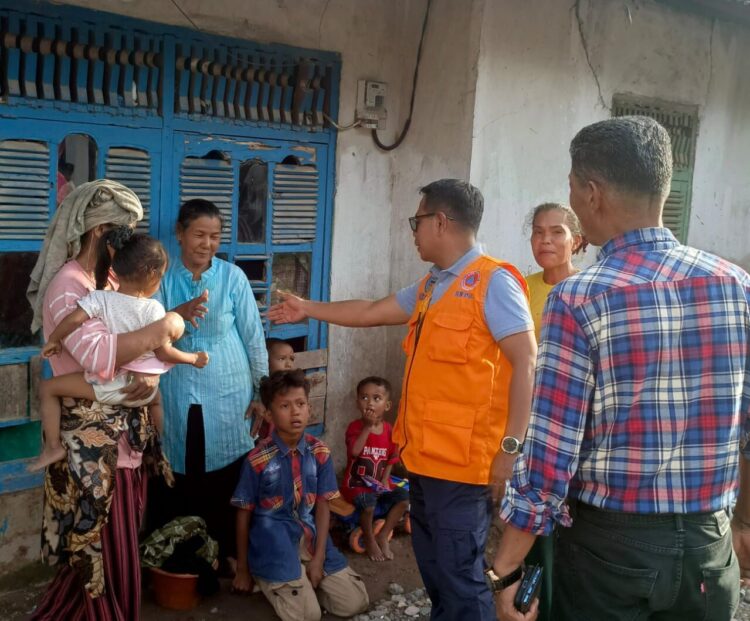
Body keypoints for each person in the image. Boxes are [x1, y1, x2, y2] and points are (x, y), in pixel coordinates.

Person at [491, 116, 749, 621]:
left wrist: (506, 568)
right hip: (709, 548)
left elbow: (549, 458)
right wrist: (741, 524)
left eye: (572, 188)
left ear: (591, 193)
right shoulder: (735, 285)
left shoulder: (579, 298)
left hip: (610, 555)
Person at [269, 178, 537, 620]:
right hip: (424, 462)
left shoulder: (494, 282)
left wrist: (511, 447)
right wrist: (308, 308)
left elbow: (526, 361)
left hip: (463, 468)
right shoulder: (434, 285)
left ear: (441, 222)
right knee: (437, 576)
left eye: (417, 221)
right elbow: (371, 311)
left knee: (461, 580)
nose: (413, 232)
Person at [25, 179, 193, 620]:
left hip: (123, 438)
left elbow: (138, 349)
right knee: (100, 556)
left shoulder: (110, 281)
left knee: (114, 549)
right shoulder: (69, 288)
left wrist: (150, 374)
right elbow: (100, 357)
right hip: (92, 449)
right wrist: (166, 327)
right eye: (122, 234)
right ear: (99, 232)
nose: (127, 245)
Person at [150, 198, 269, 570]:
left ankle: (228, 554)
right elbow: (147, 333)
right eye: (199, 234)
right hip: (175, 388)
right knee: (179, 468)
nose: (207, 243)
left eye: (215, 236)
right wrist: (176, 315)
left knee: (227, 471)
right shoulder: (162, 279)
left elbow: (254, 337)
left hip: (228, 390)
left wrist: (262, 391)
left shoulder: (232, 278)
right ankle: (180, 558)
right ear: (180, 233)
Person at [31, 230, 208, 472]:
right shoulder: (154, 309)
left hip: (108, 386)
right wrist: (192, 358)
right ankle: (158, 446)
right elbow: (163, 353)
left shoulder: (100, 298)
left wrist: (54, 339)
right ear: (152, 275)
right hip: (140, 391)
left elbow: (73, 320)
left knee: (48, 388)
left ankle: (52, 446)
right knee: (157, 400)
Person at [231, 369, 370, 621]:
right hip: (274, 543)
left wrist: (318, 559)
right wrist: (242, 569)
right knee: (307, 616)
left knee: (355, 602)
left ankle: (301, 577)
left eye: (301, 404)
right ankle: (267, 575)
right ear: (269, 414)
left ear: (309, 409)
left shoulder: (320, 452)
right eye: (285, 406)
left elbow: (324, 505)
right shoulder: (257, 460)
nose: (295, 412)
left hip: (310, 538)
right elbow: (243, 513)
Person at [520, 202, 585, 620]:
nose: (546, 240)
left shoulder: (589, 288)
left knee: (571, 519)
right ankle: (534, 600)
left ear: (576, 241)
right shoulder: (521, 288)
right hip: (529, 420)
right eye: (538, 231)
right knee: (533, 515)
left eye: (557, 232)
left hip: (574, 422)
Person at [341, 376, 409, 562]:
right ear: (358, 403)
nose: (370, 403)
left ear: (387, 405)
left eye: (376, 398)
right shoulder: (355, 428)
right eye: (364, 398)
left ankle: (383, 534)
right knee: (369, 505)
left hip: (378, 483)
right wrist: (368, 428)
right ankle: (370, 539)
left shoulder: (389, 430)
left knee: (404, 499)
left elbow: (391, 458)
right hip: (356, 485)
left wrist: (385, 481)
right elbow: (354, 452)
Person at [250, 338, 296, 439]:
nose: (289, 364)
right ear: (265, 362)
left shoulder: (292, 388)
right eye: (281, 359)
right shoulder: (258, 390)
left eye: (292, 359)